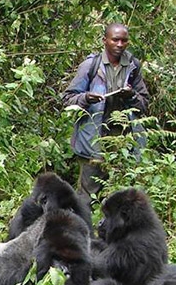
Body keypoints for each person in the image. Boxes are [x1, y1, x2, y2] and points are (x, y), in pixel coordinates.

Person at [63, 23, 150, 201]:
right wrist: (86, 98)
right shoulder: (91, 65)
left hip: (124, 141)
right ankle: (85, 227)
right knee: (88, 195)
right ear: (105, 41)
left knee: (123, 195)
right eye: (115, 40)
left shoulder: (133, 65)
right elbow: (67, 99)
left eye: (124, 40)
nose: (119, 44)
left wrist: (131, 95)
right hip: (93, 139)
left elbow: (144, 103)